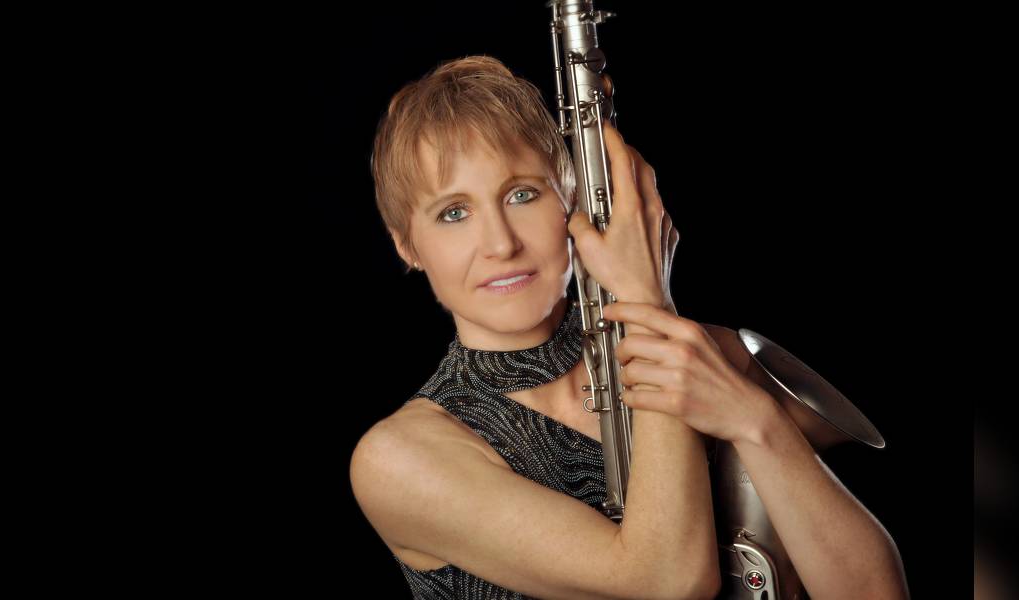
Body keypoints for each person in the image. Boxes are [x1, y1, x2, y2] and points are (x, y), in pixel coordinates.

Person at [351, 55, 909, 599]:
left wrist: (755, 419)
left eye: (522, 194)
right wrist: (646, 301)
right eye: (453, 212)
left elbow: (876, 591)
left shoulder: (701, 356)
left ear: (572, 199)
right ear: (407, 246)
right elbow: (668, 582)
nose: (501, 244)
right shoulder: (398, 460)